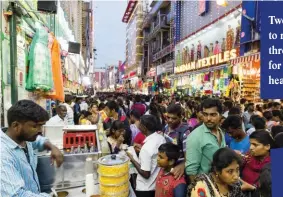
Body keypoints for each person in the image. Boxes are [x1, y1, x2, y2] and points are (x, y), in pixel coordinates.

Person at [1, 100, 63, 196]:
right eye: (35, 126)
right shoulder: (3, 155)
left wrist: (52, 146)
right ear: (16, 126)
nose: (40, 131)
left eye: (41, 126)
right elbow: (17, 195)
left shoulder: (24, 139)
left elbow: (38, 141)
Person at [186, 98, 226, 182]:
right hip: (204, 187)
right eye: (205, 114)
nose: (208, 118)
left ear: (220, 115)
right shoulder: (195, 136)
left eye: (213, 115)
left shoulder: (220, 131)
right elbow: (191, 171)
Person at [126, 115, 166, 197]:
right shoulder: (161, 138)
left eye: (140, 125)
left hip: (145, 188)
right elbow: (154, 155)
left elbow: (146, 174)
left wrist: (132, 159)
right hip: (156, 185)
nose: (138, 126)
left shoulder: (146, 148)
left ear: (144, 128)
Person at [163, 104, 191, 179]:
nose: (170, 120)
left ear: (180, 117)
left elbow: (188, 158)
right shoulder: (166, 127)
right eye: (168, 117)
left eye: (174, 118)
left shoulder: (185, 133)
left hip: (178, 173)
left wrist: (182, 165)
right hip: (167, 168)